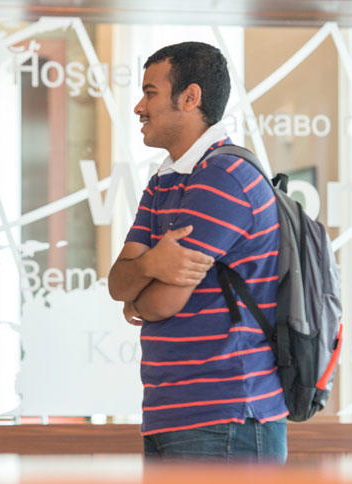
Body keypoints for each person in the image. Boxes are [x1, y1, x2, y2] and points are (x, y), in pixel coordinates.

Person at [108, 42, 288, 463]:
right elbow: (118, 282)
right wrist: (151, 265)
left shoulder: (222, 177)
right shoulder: (166, 180)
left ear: (190, 98)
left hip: (225, 415)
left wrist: (141, 283)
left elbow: (159, 304)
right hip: (173, 413)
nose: (139, 106)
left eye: (150, 92)